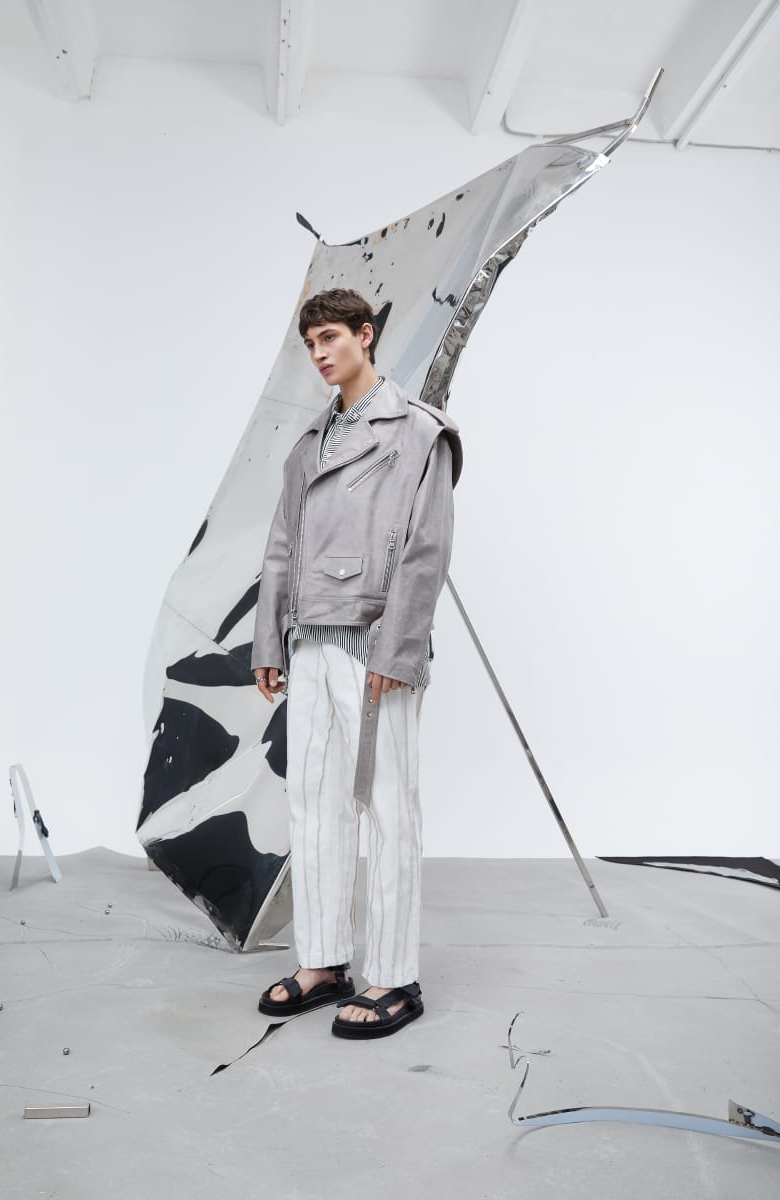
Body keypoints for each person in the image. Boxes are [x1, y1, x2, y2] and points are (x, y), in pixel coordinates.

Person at [251, 288, 461, 1039]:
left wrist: (398, 649)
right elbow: (281, 546)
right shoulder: (309, 443)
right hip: (309, 642)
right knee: (314, 804)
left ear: (365, 335)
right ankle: (323, 961)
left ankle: (395, 977)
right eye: (310, 342)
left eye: (331, 337)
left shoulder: (419, 433)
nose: (319, 353)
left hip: (375, 644)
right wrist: (268, 640)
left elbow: (427, 549)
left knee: (389, 808)